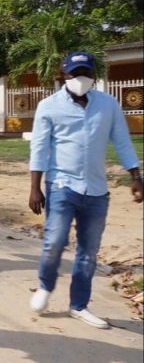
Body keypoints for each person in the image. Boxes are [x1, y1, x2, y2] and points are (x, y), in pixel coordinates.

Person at [28, 52, 143, 329]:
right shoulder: (48, 106)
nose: (80, 79)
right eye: (75, 73)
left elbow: (122, 142)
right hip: (61, 185)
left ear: (94, 76)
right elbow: (40, 148)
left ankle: (78, 305)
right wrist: (34, 187)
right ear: (64, 75)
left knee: (88, 252)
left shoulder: (108, 105)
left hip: (96, 190)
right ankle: (46, 285)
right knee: (54, 241)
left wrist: (136, 176)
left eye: (86, 73)